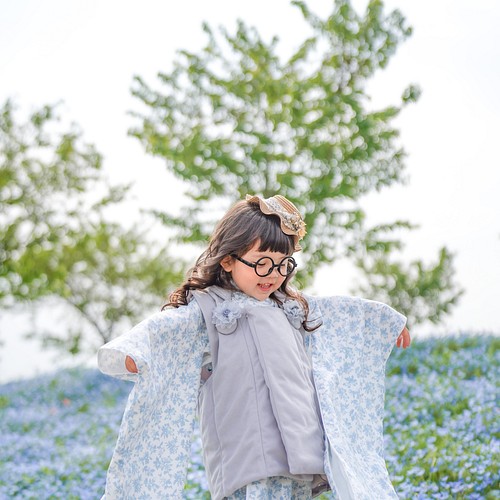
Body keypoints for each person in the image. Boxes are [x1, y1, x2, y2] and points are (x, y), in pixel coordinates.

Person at [98, 194, 411, 500]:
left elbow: (341, 313)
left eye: (282, 265)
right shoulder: (210, 309)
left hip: (299, 452)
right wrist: (139, 354)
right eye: (262, 264)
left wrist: (383, 324)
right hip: (247, 458)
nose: (273, 275)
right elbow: (165, 331)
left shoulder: (290, 307)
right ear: (229, 260)